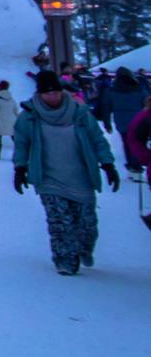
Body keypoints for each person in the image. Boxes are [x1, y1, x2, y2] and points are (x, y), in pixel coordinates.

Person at [12, 70, 121, 276]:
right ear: (40, 94)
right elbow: (22, 144)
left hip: (80, 176)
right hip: (49, 178)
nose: (52, 97)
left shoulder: (79, 114)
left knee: (86, 224)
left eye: (55, 92)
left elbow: (97, 139)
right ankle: (65, 259)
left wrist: (108, 164)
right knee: (60, 223)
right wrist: (20, 168)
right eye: (47, 93)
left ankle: (84, 248)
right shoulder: (29, 117)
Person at [95, 67, 144, 137]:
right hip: (139, 121)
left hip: (121, 122)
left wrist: (107, 125)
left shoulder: (111, 91)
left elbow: (106, 109)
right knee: (139, 143)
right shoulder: (140, 90)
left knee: (127, 142)